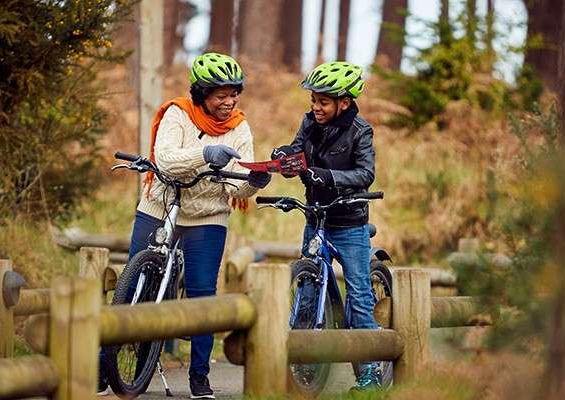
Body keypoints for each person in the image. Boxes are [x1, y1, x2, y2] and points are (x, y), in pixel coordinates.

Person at [98, 52, 270, 399]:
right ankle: (103, 368)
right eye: (221, 95)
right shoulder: (177, 114)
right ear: (202, 94)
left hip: (207, 216)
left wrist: (255, 181)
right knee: (130, 289)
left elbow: (235, 187)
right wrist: (205, 155)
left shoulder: (240, 127)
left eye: (234, 93)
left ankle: (199, 377)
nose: (229, 101)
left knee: (201, 296)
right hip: (160, 205)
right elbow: (166, 159)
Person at [271, 61, 381, 391]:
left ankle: (370, 372)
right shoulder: (309, 123)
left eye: (323, 102)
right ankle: (304, 366)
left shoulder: (361, 131)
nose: (315, 107)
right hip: (316, 216)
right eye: (313, 101)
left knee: (359, 295)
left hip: (349, 222)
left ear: (344, 102)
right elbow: (297, 149)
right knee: (306, 290)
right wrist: (284, 156)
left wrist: (329, 176)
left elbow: (365, 174)